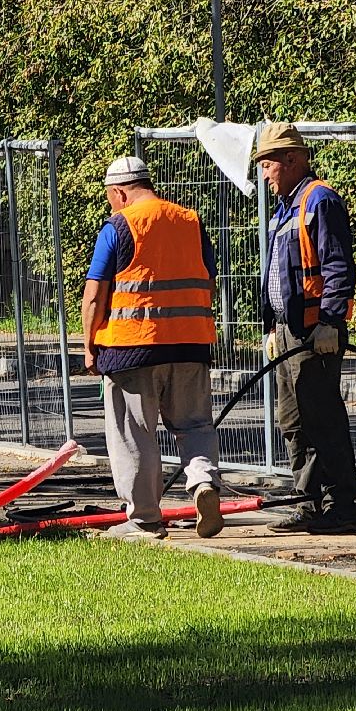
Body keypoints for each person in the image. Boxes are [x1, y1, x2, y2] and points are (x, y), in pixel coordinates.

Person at [81, 156, 223, 540]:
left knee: (134, 433)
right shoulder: (190, 221)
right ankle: (203, 482)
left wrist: (89, 345)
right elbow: (209, 281)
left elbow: (94, 295)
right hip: (191, 345)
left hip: (132, 348)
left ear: (119, 192)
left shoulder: (118, 226)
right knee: (194, 424)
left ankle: (144, 519)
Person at [255, 123, 356, 534]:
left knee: (322, 420)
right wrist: (272, 327)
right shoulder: (286, 207)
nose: (264, 173)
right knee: (293, 421)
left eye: (268, 164)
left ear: (292, 159)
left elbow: (337, 265)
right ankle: (309, 504)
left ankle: (342, 507)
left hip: (314, 332)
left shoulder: (320, 200)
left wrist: (330, 322)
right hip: (288, 331)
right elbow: (279, 273)